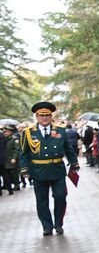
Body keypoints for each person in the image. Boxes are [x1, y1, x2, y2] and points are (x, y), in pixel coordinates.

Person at [18, 100, 80, 237]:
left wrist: (74, 163)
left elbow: (68, 149)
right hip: (38, 171)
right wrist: (24, 170)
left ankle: (58, 224)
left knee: (61, 196)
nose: (45, 118)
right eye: (41, 115)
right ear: (37, 117)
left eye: (47, 115)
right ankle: (47, 226)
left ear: (51, 116)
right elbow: (23, 154)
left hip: (57, 169)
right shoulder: (28, 133)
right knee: (41, 200)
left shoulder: (61, 131)